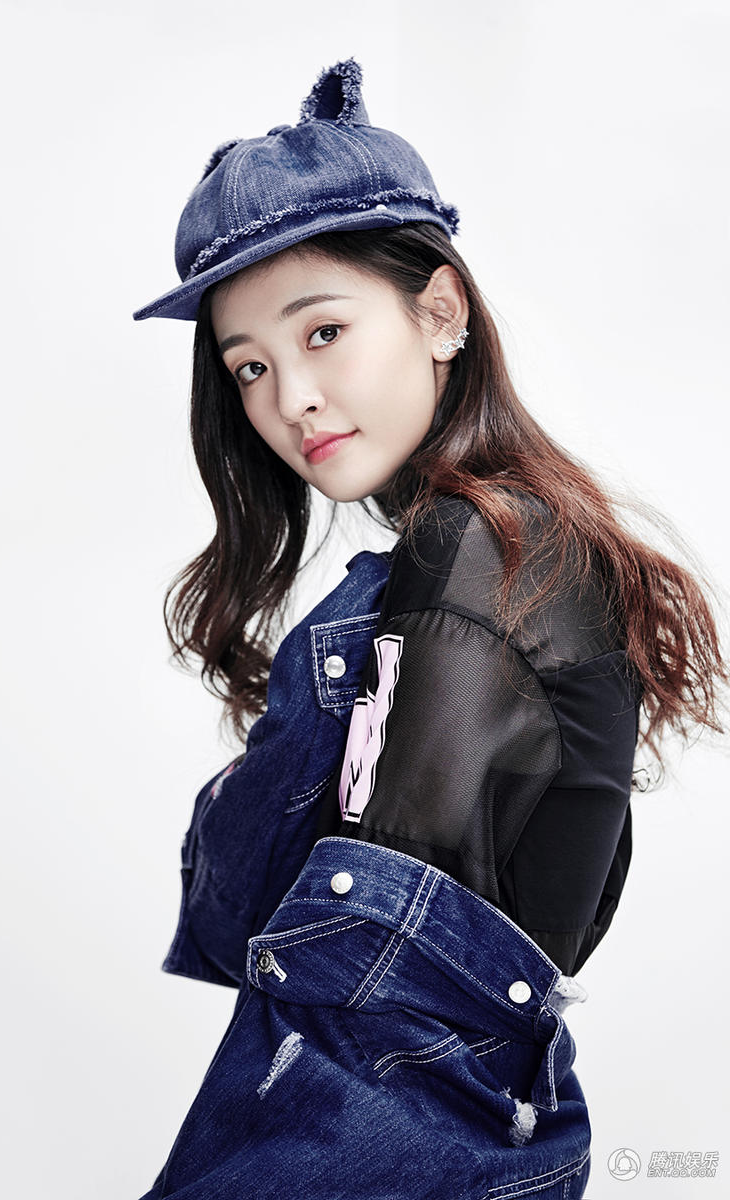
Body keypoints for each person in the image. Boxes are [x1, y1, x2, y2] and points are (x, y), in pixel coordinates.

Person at [131, 57, 728, 1200]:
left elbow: (387, 1002)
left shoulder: (483, 553)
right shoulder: (469, 554)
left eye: (321, 333)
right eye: (248, 367)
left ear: (439, 313)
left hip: (382, 1151)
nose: (287, 400)